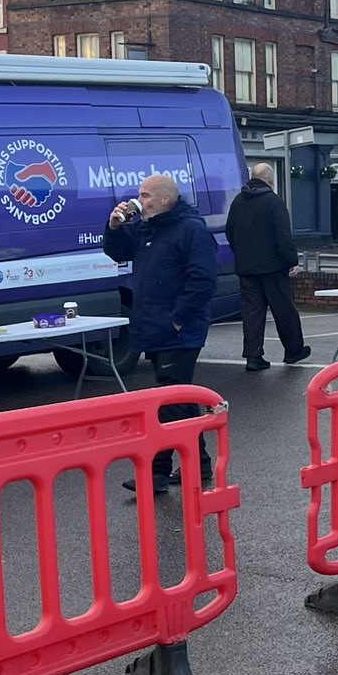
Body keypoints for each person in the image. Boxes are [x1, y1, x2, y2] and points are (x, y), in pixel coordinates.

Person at [103, 173, 218, 495]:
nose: (140, 200)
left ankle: (155, 472)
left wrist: (178, 319)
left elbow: (203, 279)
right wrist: (114, 227)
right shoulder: (146, 228)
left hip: (178, 332)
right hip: (155, 326)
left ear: (166, 199)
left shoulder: (191, 230)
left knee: (167, 402)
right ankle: (200, 463)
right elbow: (118, 252)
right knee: (179, 399)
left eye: (146, 195)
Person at [225, 163, 310, 371]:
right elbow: (283, 236)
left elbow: (229, 232)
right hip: (273, 268)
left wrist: (242, 254)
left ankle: (253, 357)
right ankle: (293, 350)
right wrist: (291, 261)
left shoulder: (238, 202)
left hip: (246, 268)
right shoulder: (273, 202)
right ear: (270, 180)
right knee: (284, 310)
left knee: (252, 312)